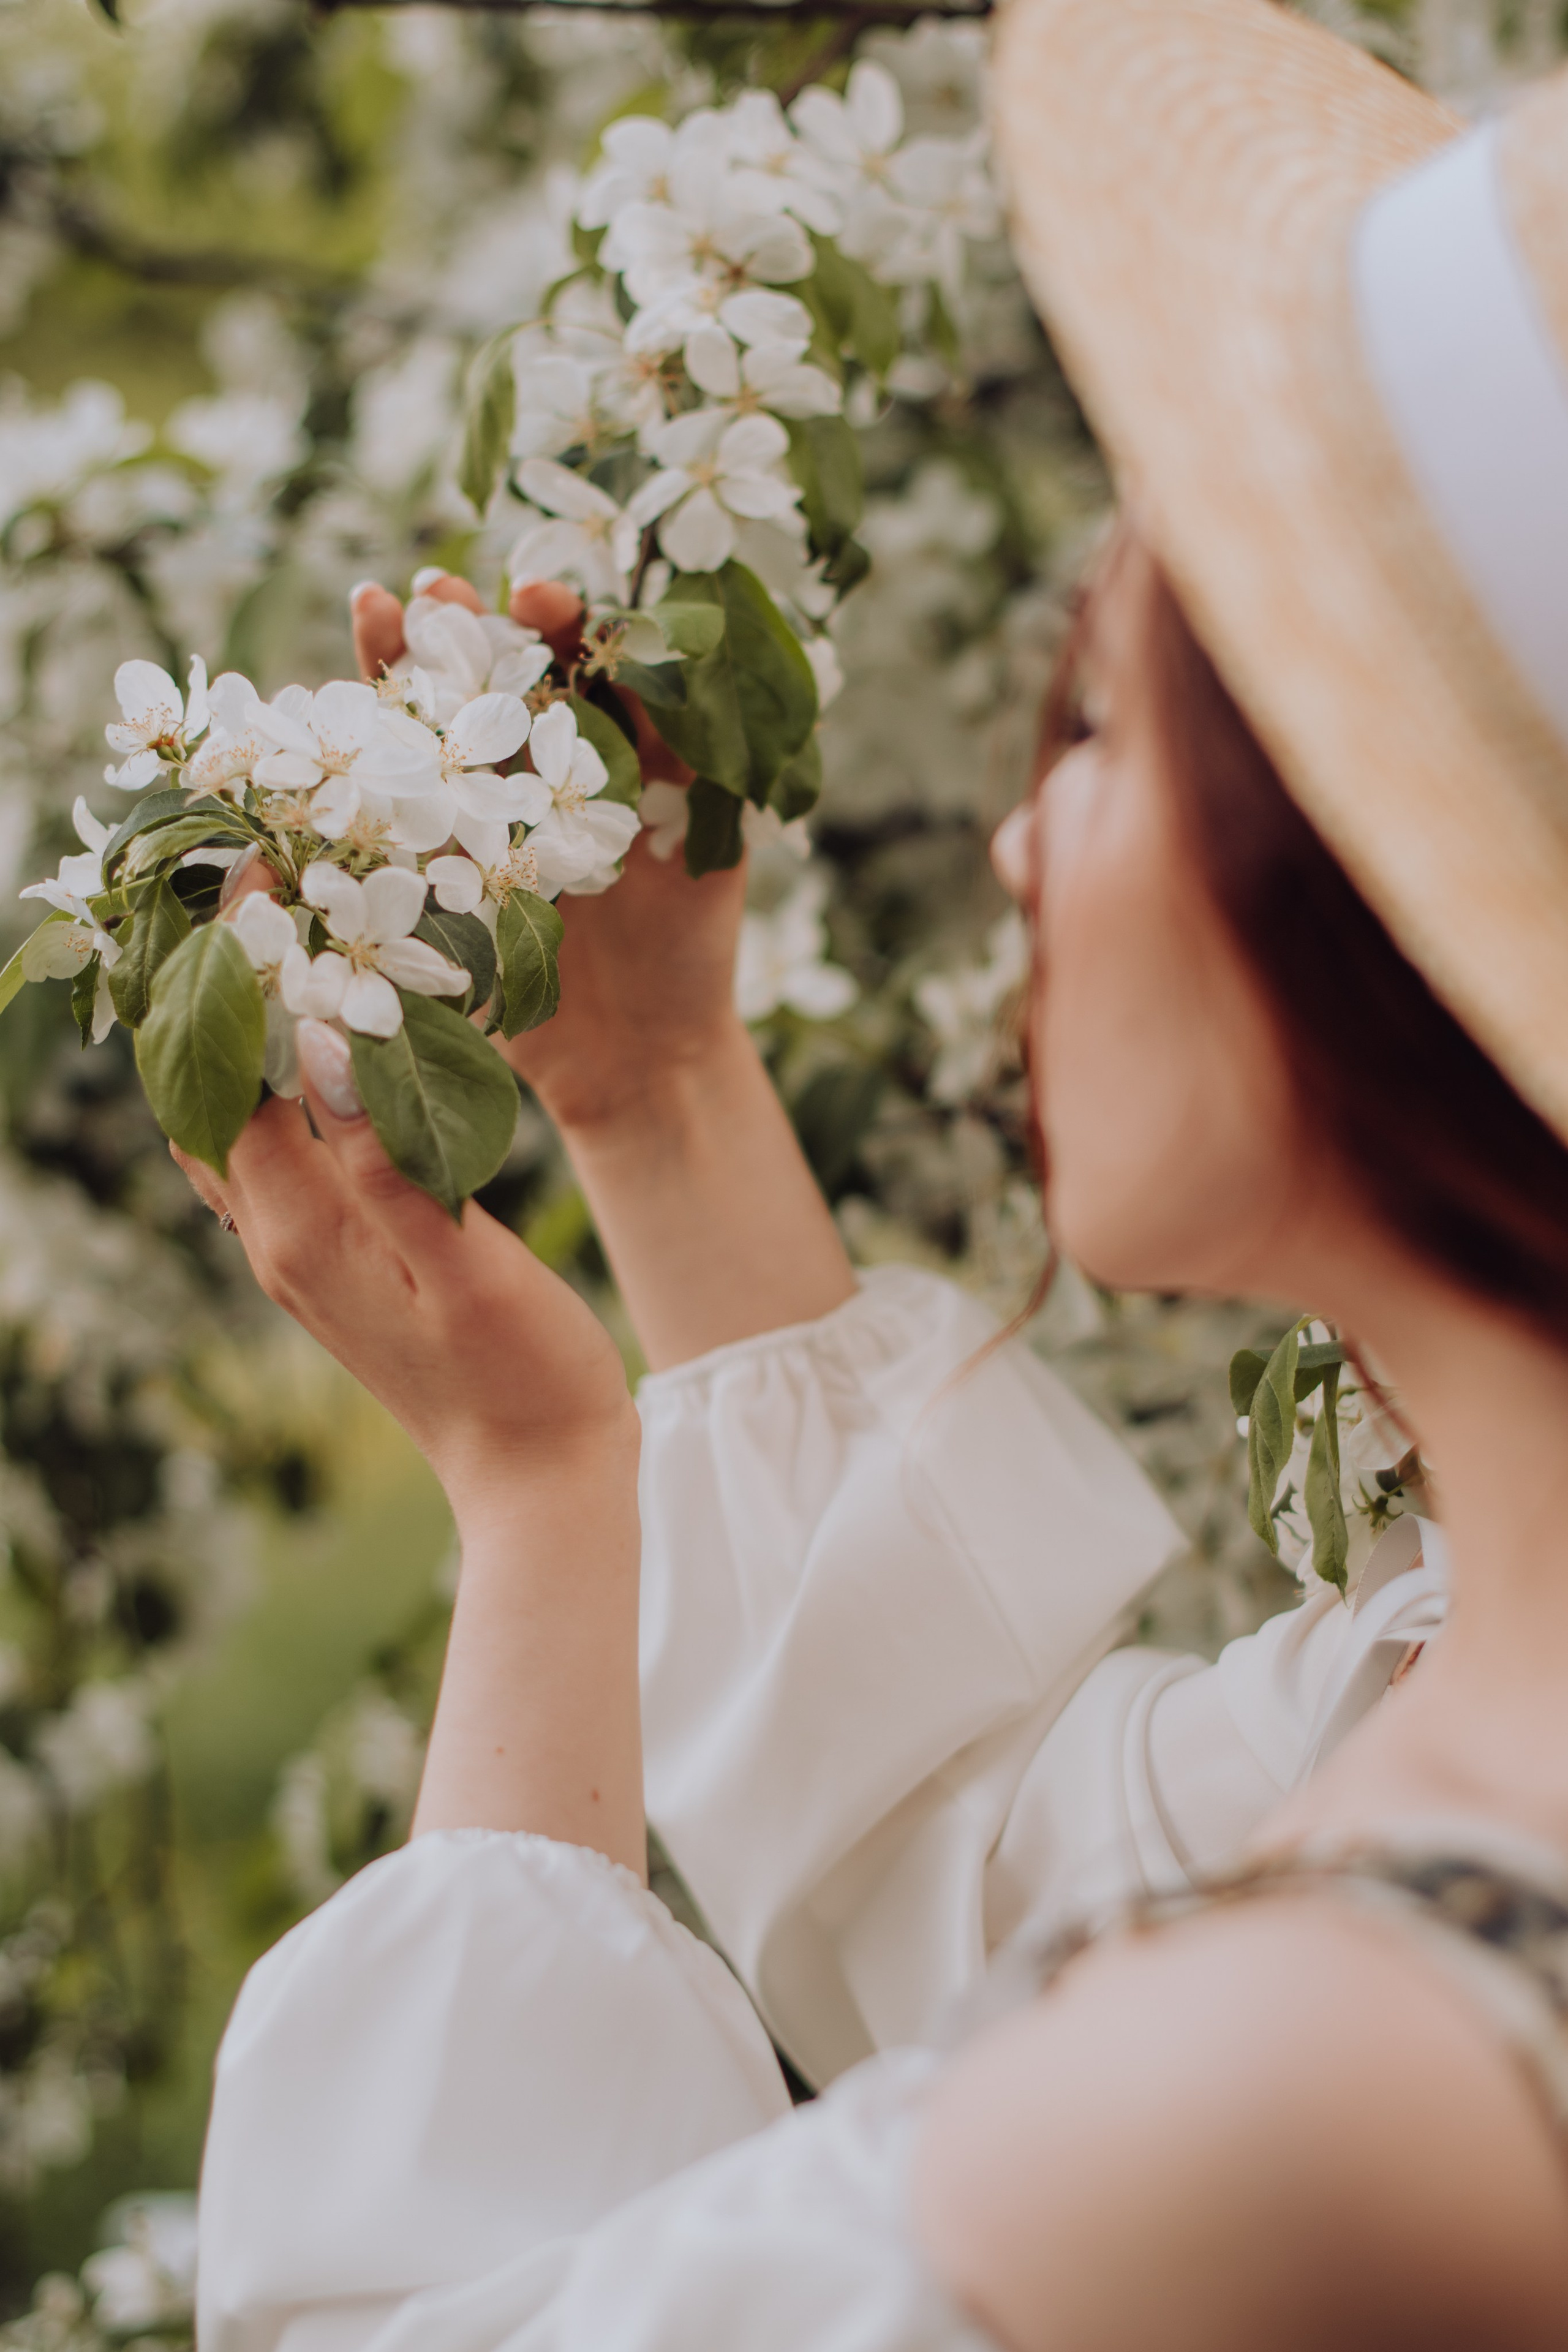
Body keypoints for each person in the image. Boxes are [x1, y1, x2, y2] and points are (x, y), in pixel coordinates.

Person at [187, 0, 1568, 2343]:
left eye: (1113, 724)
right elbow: (1015, 1889)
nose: (1022, 842)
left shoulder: (1336, 2092)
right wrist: (657, 1090)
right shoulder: (1436, 1727)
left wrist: (540, 1498)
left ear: (1373, 895)